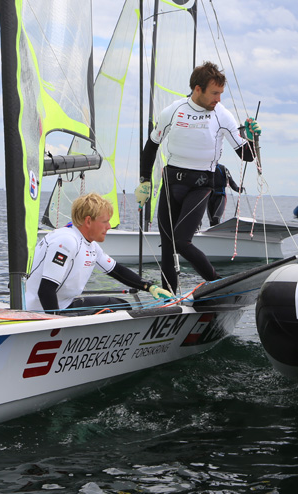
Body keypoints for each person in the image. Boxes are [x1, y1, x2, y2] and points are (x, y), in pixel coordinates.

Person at [135, 61, 260, 293]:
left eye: (221, 93)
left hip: (201, 184)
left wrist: (253, 138)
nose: (218, 99)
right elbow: (152, 145)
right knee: (167, 246)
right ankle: (169, 298)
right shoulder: (173, 110)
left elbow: (246, 155)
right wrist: (144, 180)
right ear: (197, 89)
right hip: (171, 183)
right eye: (215, 93)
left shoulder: (222, 116)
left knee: (182, 242)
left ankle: (218, 282)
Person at [25, 193, 172, 314]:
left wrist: (149, 287)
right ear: (88, 221)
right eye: (105, 222)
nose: (109, 227)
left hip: (65, 304)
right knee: (109, 313)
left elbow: (117, 270)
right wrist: (56, 326)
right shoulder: (67, 241)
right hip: (41, 311)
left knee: (122, 306)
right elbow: (45, 290)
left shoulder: (90, 244)